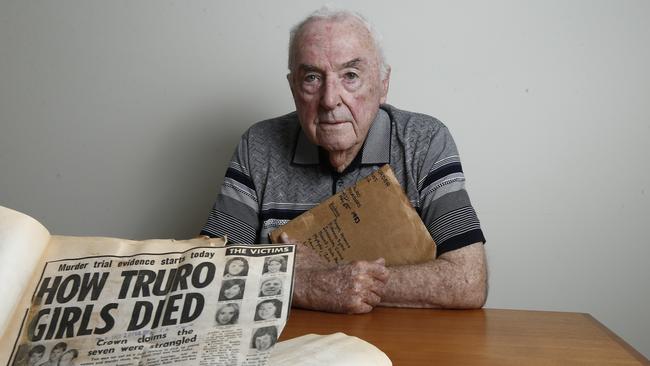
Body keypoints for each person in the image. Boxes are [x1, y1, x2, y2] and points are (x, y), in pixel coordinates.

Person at [201, 7, 487, 314]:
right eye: (312, 77)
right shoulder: (258, 145)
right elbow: (207, 274)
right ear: (293, 87)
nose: (329, 99)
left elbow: (468, 281)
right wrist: (307, 285)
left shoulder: (424, 140)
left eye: (350, 76)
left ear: (383, 84)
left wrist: (339, 277)